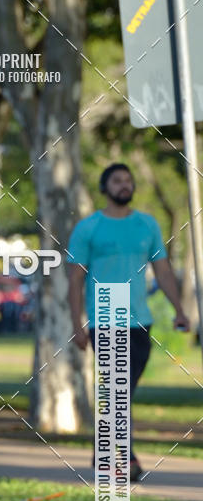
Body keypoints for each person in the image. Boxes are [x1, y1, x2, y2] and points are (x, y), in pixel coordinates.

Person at [68, 162, 190, 481]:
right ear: (104, 188)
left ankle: (104, 456)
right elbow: (74, 281)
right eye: (117, 180)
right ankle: (123, 461)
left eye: (128, 180)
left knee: (121, 393)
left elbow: (162, 270)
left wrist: (178, 308)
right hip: (105, 318)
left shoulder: (147, 225)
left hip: (141, 321)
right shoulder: (88, 228)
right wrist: (76, 324)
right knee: (118, 392)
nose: (124, 185)